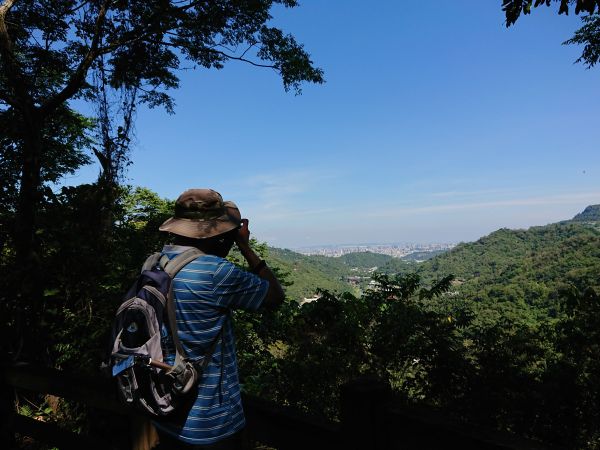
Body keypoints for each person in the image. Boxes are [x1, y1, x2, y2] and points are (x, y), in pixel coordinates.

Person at [152, 188, 285, 449]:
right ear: (216, 230)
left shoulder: (155, 263)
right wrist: (244, 246)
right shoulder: (215, 272)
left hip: (165, 408)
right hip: (210, 425)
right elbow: (274, 296)